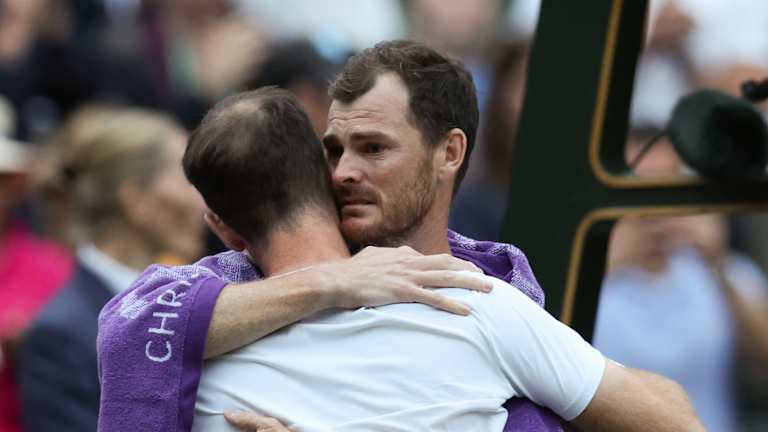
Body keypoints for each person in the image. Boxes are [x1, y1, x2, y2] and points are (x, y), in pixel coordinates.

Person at [97, 41, 699, 431]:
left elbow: (671, 419)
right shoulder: (213, 293)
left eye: (374, 148)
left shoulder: (482, 300)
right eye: (331, 150)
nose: (343, 172)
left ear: (450, 152)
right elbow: (128, 330)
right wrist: (331, 282)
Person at [16, 106, 204, 431]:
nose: (202, 201)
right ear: (136, 201)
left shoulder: (199, 300)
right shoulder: (60, 336)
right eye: (186, 179)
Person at [593, 131, 768, 432]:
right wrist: (605, 265)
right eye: (641, 187)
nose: (656, 208)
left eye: (667, 184)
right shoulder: (591, 272)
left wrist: (718, 261)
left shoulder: (720, 268)